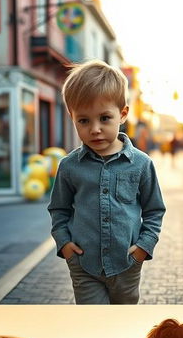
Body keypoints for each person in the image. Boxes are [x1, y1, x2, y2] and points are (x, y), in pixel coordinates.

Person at [48, 59, 165, 304]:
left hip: (127, 264)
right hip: (84, 266)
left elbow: (154, 210)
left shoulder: (142, 164)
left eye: (104, 118)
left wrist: (143, 248)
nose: (95, 129)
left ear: (122, 114)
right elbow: (59, 209)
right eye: (84, 121)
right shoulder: (69, 167)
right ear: (72, 117)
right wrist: (65, 245)